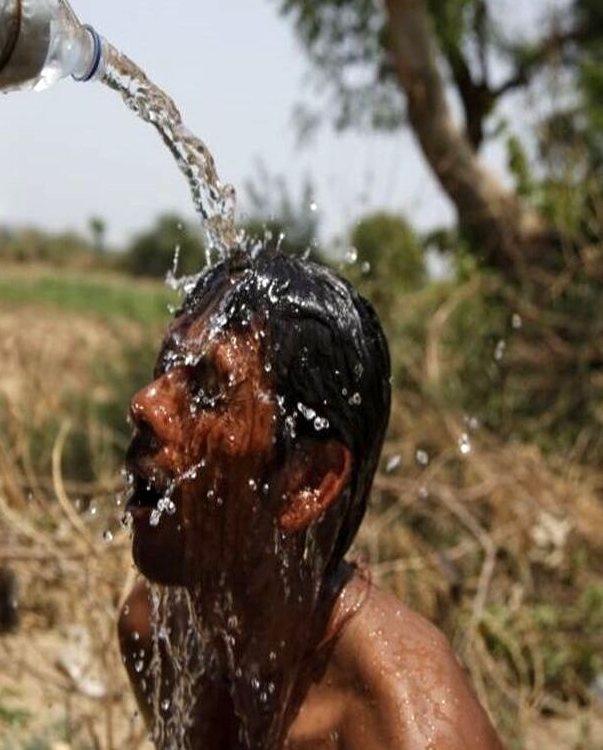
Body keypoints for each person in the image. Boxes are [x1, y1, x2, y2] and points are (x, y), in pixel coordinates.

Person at [118, 249, 502, 749]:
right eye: (166, 368)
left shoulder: (409, 730)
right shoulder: (159, 634)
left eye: (209, 390)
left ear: (309, 482)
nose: (146, 404)